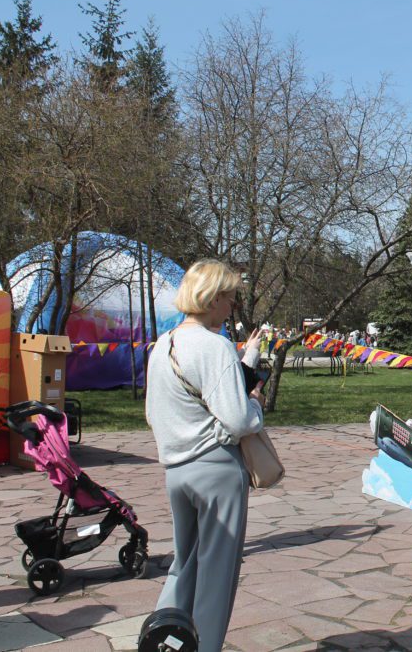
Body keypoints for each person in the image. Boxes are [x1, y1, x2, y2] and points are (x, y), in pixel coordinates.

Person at [145, 260, 266, 652]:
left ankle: (163, 639)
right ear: (213, 299)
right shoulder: (215, 345)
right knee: (217, 572)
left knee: (186, 564)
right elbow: (237, 418)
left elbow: (153, 413)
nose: (232, 306)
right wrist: (256, 407)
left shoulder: (163, 344)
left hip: (176, 469)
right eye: (230, 298)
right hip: (215, 469)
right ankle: (205, 646)